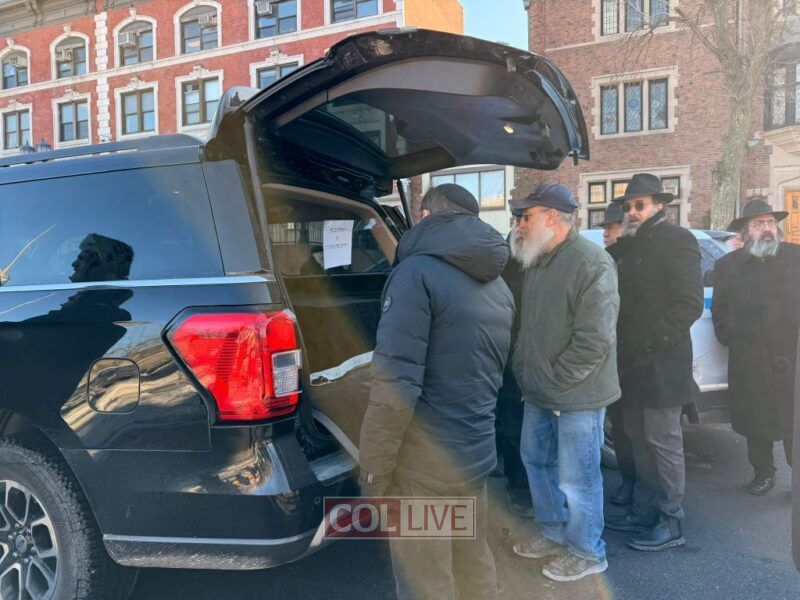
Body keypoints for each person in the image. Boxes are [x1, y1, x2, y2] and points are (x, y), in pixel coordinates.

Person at [358, 183, 514, 600]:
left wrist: (373, 473)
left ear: (426, 217)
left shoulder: (415, 274)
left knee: (429, 581)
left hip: (425, 465)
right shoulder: (498, 284)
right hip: (474, 454)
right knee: (473, 564)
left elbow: (395, 387)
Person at [509, 183, 620, 582]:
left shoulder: (591, 261)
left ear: (552, 217)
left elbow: (595, 339)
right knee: (536, 461)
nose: (520, 225)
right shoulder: (540, 259)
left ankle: (587, 551)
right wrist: (529, 371)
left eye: (526, 216)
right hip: (539, 389)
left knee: (579, 476)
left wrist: (558, 380)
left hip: (576, 394)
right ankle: (554, 533)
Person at [604, 173, 703, 552]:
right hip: (630, 364)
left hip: (662, 364)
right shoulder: (628, 245)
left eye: (639, 205)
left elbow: (689, 303)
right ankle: (645, 510)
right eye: (628, 206)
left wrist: (653, 342)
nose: (632, 211)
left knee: (663, 441)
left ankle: (671, 519)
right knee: (636, 438)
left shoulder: (678, 240)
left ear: (660, 205)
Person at [712, 198, 800, 495]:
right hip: (750, 360)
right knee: (755, 422)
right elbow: (720, 309)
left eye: (771, 223)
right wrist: (731, 335)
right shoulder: (727, 266)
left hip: (792, 359)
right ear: (746, 231)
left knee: (795, 422)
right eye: (759, 224)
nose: (767, 229)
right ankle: (763, 473)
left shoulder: (797, 257)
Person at [495, 208, 534, 517]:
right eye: (517, 220)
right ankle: (518, 487)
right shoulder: (503, 258)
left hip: (530, 357)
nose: (520, 226)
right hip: (505, 356)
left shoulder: (541, 258)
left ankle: (529, 491)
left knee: (528, 429)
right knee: (511, 425)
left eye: (526, 220)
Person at [599, 204, 637, 506]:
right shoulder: (605, 260)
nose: (605, 232)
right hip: (614, 360)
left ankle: (643, 488)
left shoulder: (638, 260)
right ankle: (629, 482)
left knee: (642, 433)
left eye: (611, 226)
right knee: (621, 429)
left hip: (638, 358)